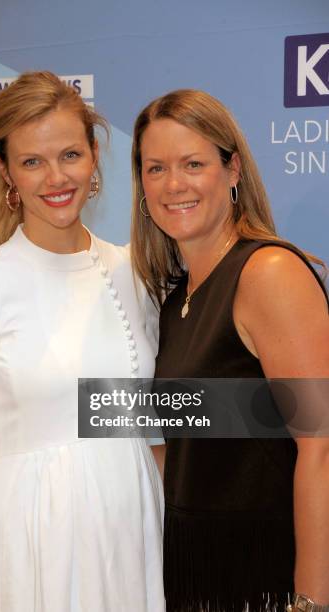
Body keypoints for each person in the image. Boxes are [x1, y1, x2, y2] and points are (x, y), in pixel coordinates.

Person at [0, 71, 165, 612]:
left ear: (94, 156)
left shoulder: (135, 269)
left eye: (69, 155)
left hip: (130, 532)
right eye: (32, 161)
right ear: (4, 170)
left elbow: (154, 424)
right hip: (27, 541)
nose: (55, 178)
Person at [130, 89, 329, 612]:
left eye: (193, 163)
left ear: (233, 168)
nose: (174, 185)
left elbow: (322, 449)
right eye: (156, 168)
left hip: (265, 578)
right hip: (195, 572)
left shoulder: (268, 273)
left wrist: (308, 603)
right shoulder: (177, 300)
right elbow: (203, 449)